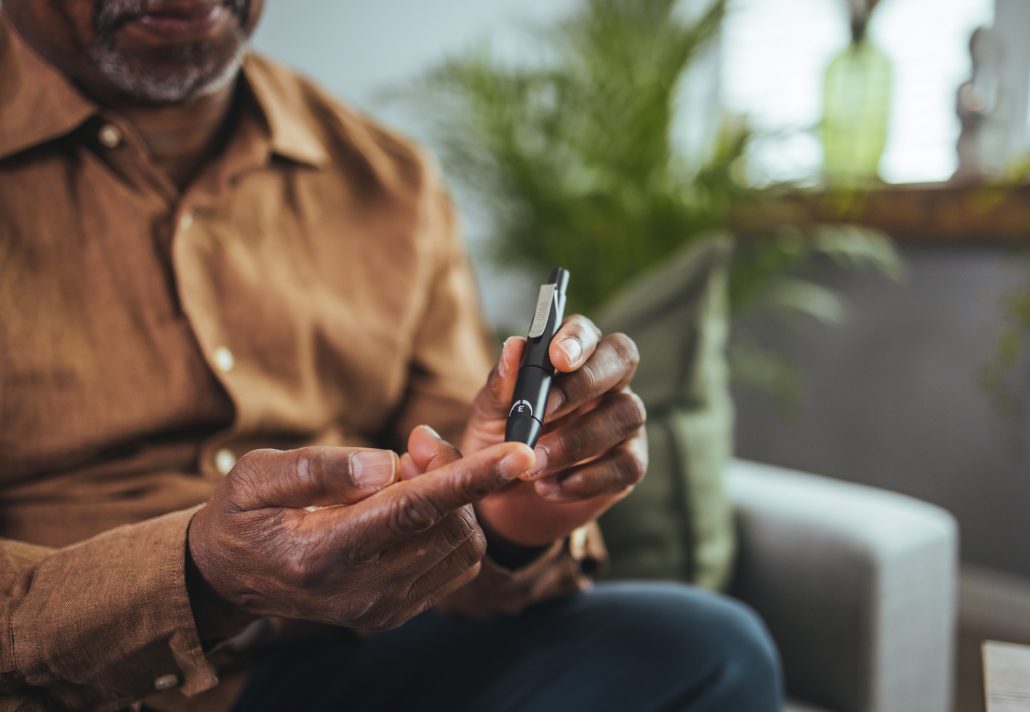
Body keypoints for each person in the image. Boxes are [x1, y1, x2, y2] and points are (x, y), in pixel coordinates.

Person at [0, 1, 782, 710]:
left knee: (705, 648)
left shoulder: (391, 181)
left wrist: (516, 513)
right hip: (65, 694)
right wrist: (201, 579)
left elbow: (454, 486)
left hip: (335, 662)